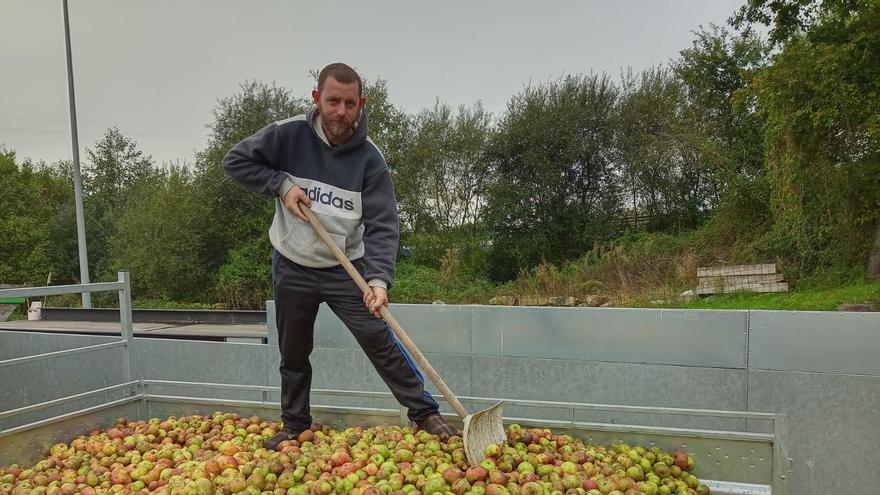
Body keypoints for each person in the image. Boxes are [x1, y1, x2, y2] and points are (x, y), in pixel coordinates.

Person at [223, 63, 459, 449]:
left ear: (361, 105)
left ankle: (425, 414)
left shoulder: (370, 159)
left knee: (378, 337)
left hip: (345, 268)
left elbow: (384, 225)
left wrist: (379, 281)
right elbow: (235, 161)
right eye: (333, 101)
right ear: (317, 99)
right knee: (294, 349)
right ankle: (295, 424)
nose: (341, 112)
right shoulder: (288, 135)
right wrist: (281, 185)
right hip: (293, 262)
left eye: (350, 104)